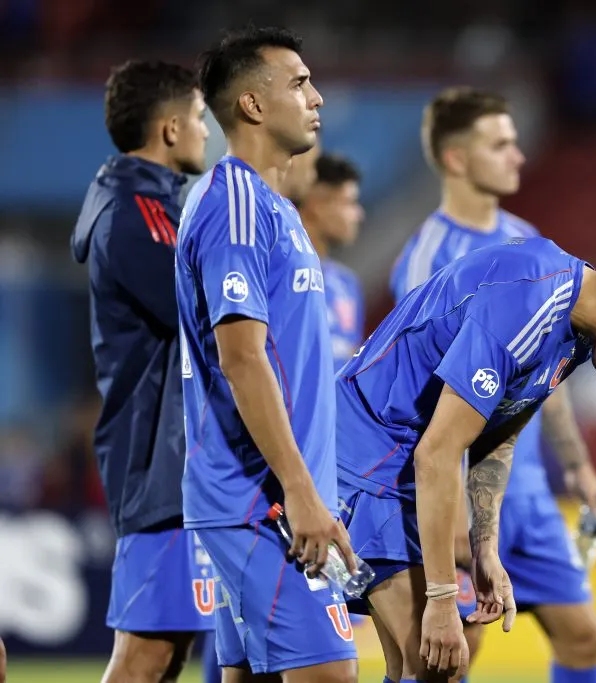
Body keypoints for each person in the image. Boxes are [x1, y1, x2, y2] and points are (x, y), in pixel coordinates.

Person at [338, 237, 596, 683]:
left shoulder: (577, 331)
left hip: (403, 465)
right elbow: (439, 452)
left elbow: (498, 435)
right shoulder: (529, 300)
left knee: (425, 667)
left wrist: (485, 547)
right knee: (433, 661)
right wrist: (441, 598)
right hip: (368, 457)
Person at [390, 86, 596, 683]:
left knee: (583, 637)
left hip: (529, 489)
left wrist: (579, 468)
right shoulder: (428, 256)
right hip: (458, 484)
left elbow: (552, 370)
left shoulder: (525, 236)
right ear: (458, 159)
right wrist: (451, 507)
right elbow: (419, 395)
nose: (518, 156)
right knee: (450, 657)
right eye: (501, 144)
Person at [176, 26, 358, 682]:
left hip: (267, 495)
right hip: (262, 501)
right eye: (300, 82)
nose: (318, 97)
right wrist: (301, 490)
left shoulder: (271, 208)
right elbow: (243, 358)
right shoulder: (237, 208)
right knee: (330, 671)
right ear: (252, 105)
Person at [70, 59, 213, 683]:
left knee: (171, 647)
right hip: (159, 462)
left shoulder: (156, 205)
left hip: (176, 458)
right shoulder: (135, 213)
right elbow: (200, 312)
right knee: (147, 652)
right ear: (172, 129)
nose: (209, 132)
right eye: (203, 119)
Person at [292, 148, 366, 366]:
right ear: (318, 206)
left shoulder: (347, 284)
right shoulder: (280, 272)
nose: (358, 215)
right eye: (349, 202)